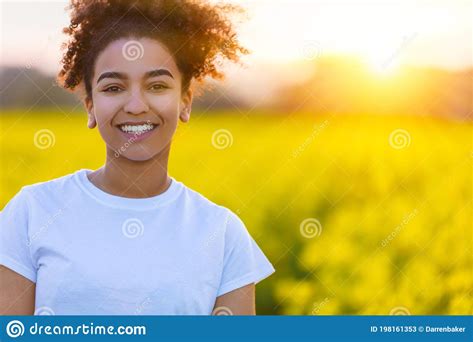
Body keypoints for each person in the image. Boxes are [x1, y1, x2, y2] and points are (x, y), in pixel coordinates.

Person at [0, 0, 275, 315]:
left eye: (157, 86)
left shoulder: (223, 233)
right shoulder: (31, 212)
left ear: (185, 102)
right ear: (90, 106)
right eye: (114, 88)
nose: (135, 106)